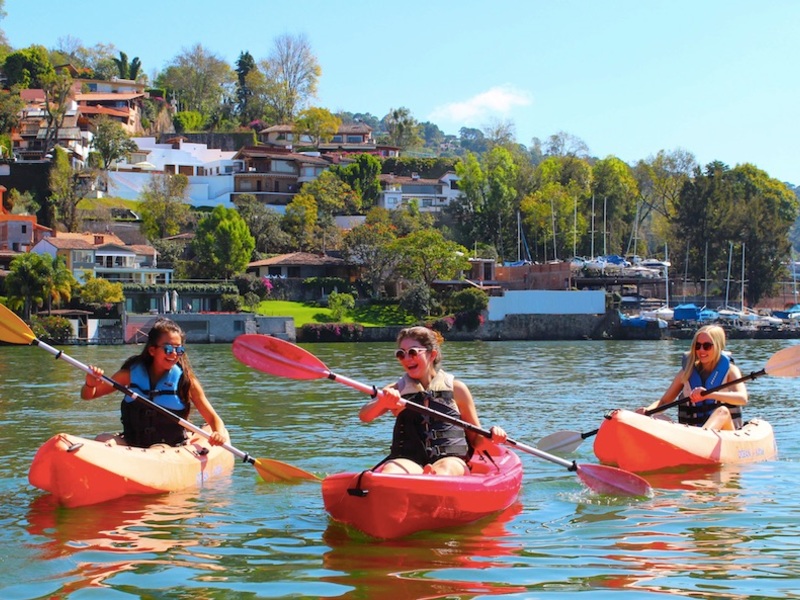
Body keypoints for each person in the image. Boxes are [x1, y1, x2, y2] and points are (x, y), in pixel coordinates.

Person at [359, 326, 507, 475]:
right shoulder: (396, 390)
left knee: (444, 470)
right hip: (408, 460)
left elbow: (476, 440)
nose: (407, 359)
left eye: (413, 352)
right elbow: (365, 416)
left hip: (450, 460)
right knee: (391, 470)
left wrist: (492, 437)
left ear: (432, 354)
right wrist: (383, 402)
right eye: (401, 354)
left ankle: (432, 478)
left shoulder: (457, 389)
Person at [81, 318, 229, 448]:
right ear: (152, 350)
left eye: (179, 349)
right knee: (102, 439)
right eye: (168, 349)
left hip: (170, 447)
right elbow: (88, 396)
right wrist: (90, 384)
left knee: (158, 449)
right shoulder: (130, 374)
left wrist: (218, 434)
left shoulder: (186, 381)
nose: (174, 354)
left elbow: (213, 419)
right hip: (132, 443)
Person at [640, 324, 747, 430]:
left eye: (707, 346)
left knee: (722, 411)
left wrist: (710, 395)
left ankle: (704, 437)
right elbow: (664, 402)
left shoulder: (731, 370)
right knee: (657, 417)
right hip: (692, 432)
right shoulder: (686, 372)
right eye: (697, 345)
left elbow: (742, 398)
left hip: (726, 433)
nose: (701, 350)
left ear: (718, 346)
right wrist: (647, 411)